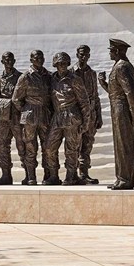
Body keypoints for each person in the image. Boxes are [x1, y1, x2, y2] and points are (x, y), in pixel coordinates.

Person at [98, 39, 134, 190]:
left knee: (124, 144)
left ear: (117, 51)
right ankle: (121, 178)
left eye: (111, 50)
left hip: (122, 109)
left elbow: (131, 92)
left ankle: (126, 179)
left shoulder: (122, 66)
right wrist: (103, 83)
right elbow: (115, 92)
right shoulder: (118, 66)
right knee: (119, 144)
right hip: (117, 108)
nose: (109, 53)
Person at [45, 51, 92, 185]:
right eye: (60, 63)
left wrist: (86, 122)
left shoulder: (75, 79)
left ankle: (71, 176)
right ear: (55, 64)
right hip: (57, 117)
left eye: (65, 63)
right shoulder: (52, 78)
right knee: (49, 147)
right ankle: (54, 176)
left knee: (71, 149)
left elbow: (84, 102)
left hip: (72, 116)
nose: (63, 66)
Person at [12, 50, 52, 185]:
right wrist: (26, 110)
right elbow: (16, 99)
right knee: (30, 146)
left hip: (45, 115)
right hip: (30, 115)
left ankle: (48, 176)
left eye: (41, 57)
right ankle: (31, 176)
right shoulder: (25, 77)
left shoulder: (49, 76)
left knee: (47, 146)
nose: (39, 60)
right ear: (31, 60)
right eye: (36, 58)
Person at [0, 51, 24, 185]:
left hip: (16, 117)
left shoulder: (21, 77)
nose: (8, 62)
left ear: (14, 61)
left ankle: (29, 174)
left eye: (10, 60)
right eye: (6, 60)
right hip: (2, 118)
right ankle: (6, 175)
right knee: (3, 146)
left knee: (22, 145)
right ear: (2, 62)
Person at [73, 44, 102, 184]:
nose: (83, 57)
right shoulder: (71, 72)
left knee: (88, 143)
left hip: (91, 114)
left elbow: (96, 96)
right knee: (74, 144)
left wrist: (99, 115)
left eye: (86, 54)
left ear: (89, 56)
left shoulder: (92, 73)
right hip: (76, 114)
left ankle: (84, 173)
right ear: (77, 55)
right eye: (81, 54)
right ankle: (73, 174)